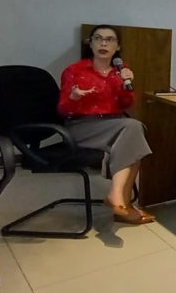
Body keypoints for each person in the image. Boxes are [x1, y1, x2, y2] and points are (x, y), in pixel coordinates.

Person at [58, 25, 154, 224]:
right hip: (81, 126)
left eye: (109, 39)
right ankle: (117, 198)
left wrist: (127, 85)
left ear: (117, 46)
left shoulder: (119, 72)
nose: (103, 43)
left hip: (112, 124)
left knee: (132, 138)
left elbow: (125, 104)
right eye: (98, 38)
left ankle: (121, 206)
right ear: (90, 43)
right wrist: (74, 98)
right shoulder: (74, 71)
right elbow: (62, 110)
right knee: (133, 129)